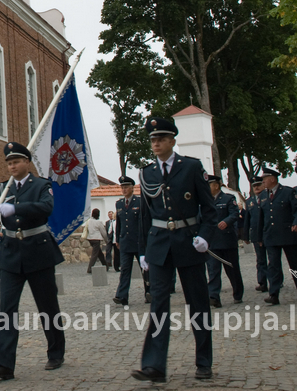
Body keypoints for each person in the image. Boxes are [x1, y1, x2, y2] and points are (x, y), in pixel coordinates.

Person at [131, 117, 218, 384]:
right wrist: (143, 251)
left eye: (161, 139)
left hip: (188, 242)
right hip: (159, 245)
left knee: (198, 303)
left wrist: (205, 236)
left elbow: (209, 209)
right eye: (152, 140)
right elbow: (145, 215)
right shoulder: (147, 173)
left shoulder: (191, 167)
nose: (155, 144)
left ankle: (204, 361)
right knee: (158, 304)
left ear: (172, 141)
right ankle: (154, 365)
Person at [0, 142, 65, 380]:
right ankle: (4, 364)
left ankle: (56, 352)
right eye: (9, 163)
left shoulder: (42, 185)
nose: (12, 166)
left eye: (16, 162)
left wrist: (17, 209)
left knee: (47, 306)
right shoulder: (1, 189)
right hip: (11, 254)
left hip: (38, 252)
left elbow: (47, 207)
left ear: (27, 162)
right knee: (7, 309)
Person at [256, 167, 297, 306]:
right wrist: (259, 237)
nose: (263, 181)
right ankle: (273, 294)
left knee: (295, 264)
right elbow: (261, 218)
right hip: (271, 235)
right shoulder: (263, 195)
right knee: (273, 266)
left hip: (288, 234)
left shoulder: (288, 192)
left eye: (265, 179)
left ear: (273, 179)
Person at [206, 173, 243, 307]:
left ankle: (238, 293)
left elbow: (234, 214)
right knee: (213, 271)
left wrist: (226, 222)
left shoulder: (228, 198)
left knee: (232, 270)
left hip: (227, 241)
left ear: (216, 186)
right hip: (212, 242)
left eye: (209, 185)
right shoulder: (205, 201)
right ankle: (213, 296)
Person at [113, 175, 150, 305]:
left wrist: (145, 240)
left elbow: (143, 223)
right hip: (125, 242)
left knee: (145, 269)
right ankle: (122, 295)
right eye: (122, 187)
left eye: (126, 187)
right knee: (124, 269)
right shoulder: (119, 204)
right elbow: (119, 223)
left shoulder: (139, 202)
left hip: (139, 241)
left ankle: (150, 292)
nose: (124, 190)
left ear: (132, 188)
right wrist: (118, 239)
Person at [242, 180, 269, 292]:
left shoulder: (268, 197)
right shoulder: (250, 201)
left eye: (258, 185)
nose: (256, 187)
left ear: (263, 185)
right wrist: (245, 236)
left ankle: (275, 281)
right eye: (254, 186)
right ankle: (262, 282)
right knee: (260, 259)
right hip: (256, 234)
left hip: (268, 232)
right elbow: (247, 219)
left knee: (273, 259)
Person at [85, 208, 109, 273]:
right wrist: (106, 240)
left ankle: (105, 265)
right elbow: (103, 232)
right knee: (95, 254)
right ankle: (90, 268)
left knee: (99, 253)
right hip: (96, 239)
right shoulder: (98, 222)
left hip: (90, 239)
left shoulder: (89, 221)